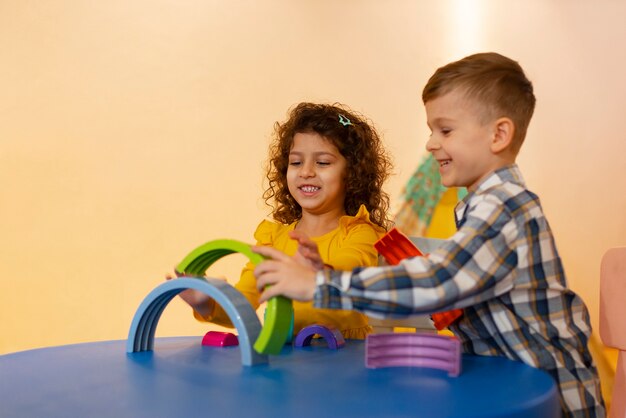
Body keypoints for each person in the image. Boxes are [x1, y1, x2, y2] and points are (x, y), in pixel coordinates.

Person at [253, 53, 605, 417]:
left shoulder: (505, 207)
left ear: (499, 135)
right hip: (505, 390)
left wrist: (319, 285)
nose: (431, 144)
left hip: (551, 403)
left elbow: (438, 284)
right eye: (431, 130)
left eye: (445, 130)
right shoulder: (480, 206)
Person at [170, 102, 392, 339]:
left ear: (352, 174)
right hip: (286, 362)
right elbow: (243, 305)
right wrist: (206, 302)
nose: (306, 171)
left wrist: (318, 274)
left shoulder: (359, 231)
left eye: (323, 162)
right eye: (296, 162)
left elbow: (352, 265)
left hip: (344, 360)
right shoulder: (272, 240)